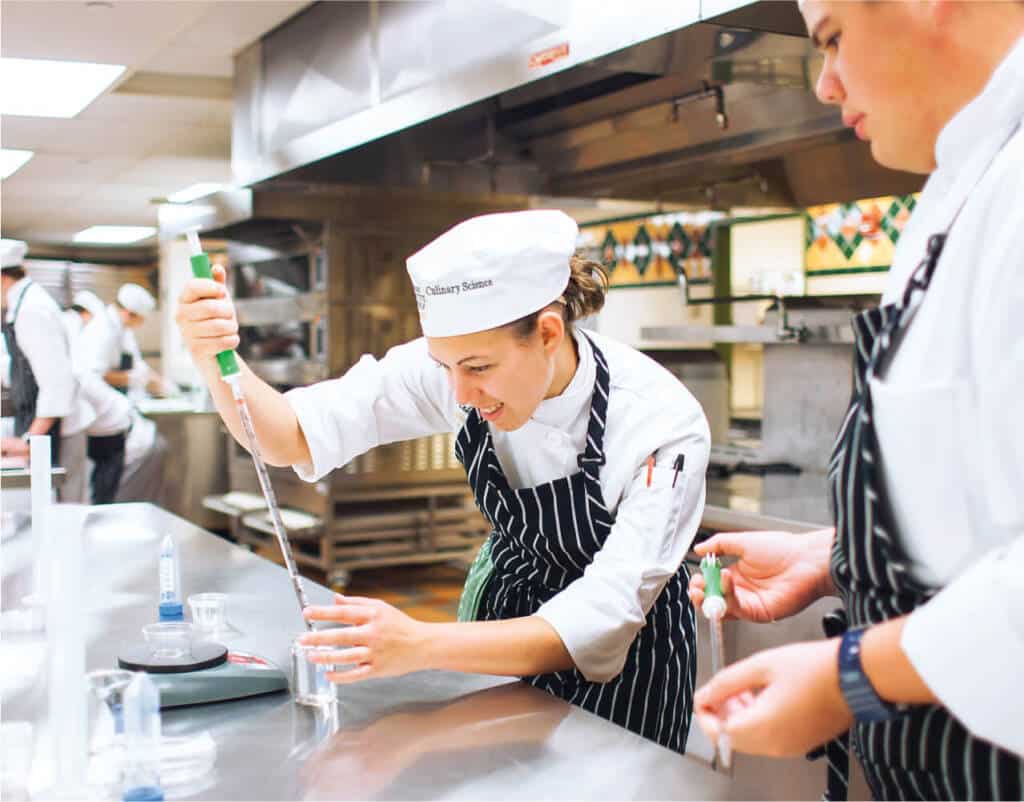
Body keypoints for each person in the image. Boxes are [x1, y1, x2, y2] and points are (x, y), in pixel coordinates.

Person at [176, 210, 711, 753]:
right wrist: (215, 359)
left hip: (629, 665)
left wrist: (420, 643)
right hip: (498, 631)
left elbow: (603, 613)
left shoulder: (658, 421)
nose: (458, 393)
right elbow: (291, 434)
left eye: (478, 368)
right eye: (445, 365)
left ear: (548, 332)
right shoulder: (454, 369)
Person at [687, 2, 1024, 799]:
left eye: (833, 38)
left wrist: (850, 677)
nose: (826, 83)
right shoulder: (964, 188)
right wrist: (835, 559)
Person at [0, 239, 92, 502]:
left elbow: (57, 382)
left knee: (62, 513)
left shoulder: (32, 311)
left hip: (57, 433)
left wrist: (30, 441)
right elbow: (23, 368)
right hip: (47, 430)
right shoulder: (22, 306)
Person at [62, 304, 133, 504]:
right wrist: (119, 405)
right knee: (98, 483)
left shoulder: (109, 328)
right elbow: (88, 376)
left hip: (100, 417)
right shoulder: (100, 331)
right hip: (100, 417)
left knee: (95, 483)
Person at [77, 282, 173, 398]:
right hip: (94, 401)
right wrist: (132, 378)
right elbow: (95, 376)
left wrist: (162, 383)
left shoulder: (123, 329)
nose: (142, 324)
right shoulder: (102, 329)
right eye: (141, 319)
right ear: (129, 314)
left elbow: (137, 363)